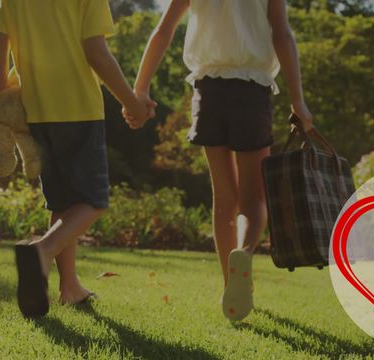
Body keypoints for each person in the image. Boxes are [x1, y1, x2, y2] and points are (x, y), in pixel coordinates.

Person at [125, 0, 314, 322]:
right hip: (252, 90)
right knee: (253, 200)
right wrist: (298, 101)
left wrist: (139, 90)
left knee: (224, 197)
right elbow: (282, 35)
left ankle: (230, 282)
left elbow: (164, 29)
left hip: (208, 89)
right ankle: (244, 252)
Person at [0, 0, 156, 318]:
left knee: (62, 203)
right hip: (78, 109)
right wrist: (131, 102)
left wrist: (6, 103)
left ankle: (70, 287)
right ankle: (43, 250)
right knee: (94, 201)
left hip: (36, 113)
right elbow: (97, 53)